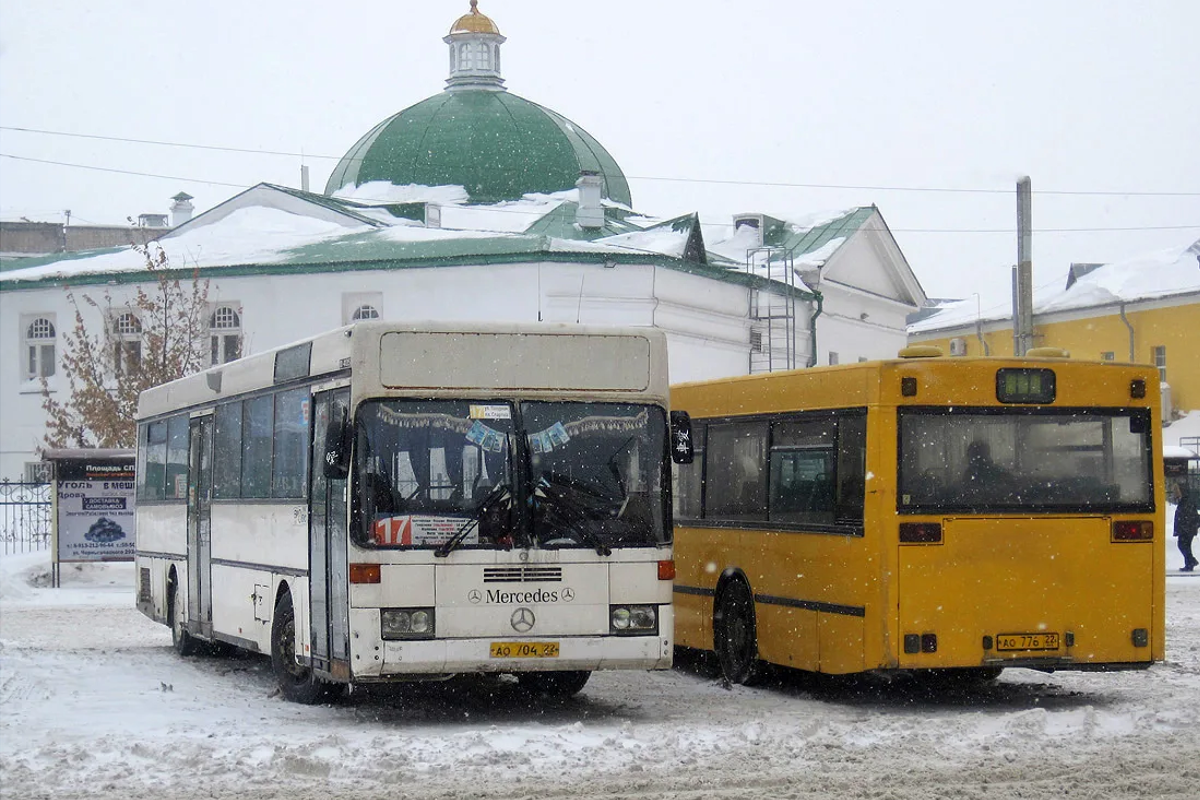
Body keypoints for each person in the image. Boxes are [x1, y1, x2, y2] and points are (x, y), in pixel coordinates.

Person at [1172, 481, 1199, 572]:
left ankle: (1190, 562)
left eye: (1176, 491)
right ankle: (1189, 563)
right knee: (1185, 546)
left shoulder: (1185, 503)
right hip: (1187, 529)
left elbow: (1187, 516)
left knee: (1183, 545)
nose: (1175, 494)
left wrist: (1183, 528)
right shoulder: (1185, 501)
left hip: (1187, 529)